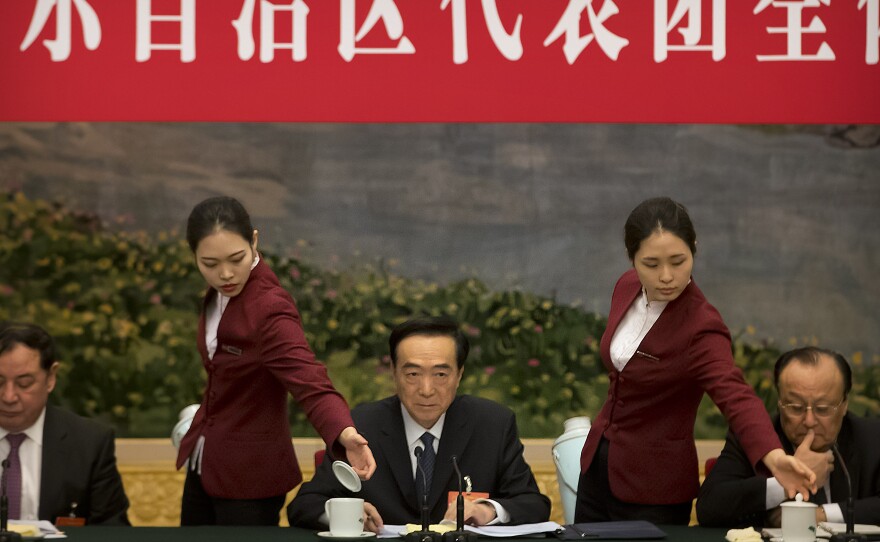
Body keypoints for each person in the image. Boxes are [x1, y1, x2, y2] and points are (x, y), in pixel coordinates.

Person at [574, 197, 816, 525]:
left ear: (694, 248)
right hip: (596, 471)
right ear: (632, 258)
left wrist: (773, 456)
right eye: (651, 263)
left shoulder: (701, 325)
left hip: (653, 488)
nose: (666, 276)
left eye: (678, 261)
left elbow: (735, 394)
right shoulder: (626, 285)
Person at [176, 196, 376, 525]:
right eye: (209, 264)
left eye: (237, 258)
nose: (225, 274)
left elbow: (310, 380)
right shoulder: (218, 293)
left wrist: (344, 432)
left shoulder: (269, 307)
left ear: (254, 241)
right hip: (205, 460)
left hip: (250, 476)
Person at [287, 316, 551, 532]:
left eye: (440, 374)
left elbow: (533, 504)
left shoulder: (492, 424)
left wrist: (487, 510)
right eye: (413, 374)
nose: (426, 390)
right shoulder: (359, 426)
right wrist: (345, 514)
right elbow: (304, 505)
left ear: (459, 375)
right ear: (393, 372)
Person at [697, 347, 880, 528]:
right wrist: (784, 484)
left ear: (844, 405)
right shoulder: (754, 439)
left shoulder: (872, 438)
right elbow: (709, 508)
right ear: (780, 403)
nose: (809, 421)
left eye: (823, 409)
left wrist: (820, 515)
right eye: (795, 407)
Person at [0, 321, 130, 525]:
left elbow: (112, 529)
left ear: (50, 378)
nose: (8, 396)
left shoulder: (89, 443)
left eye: (24, 383)